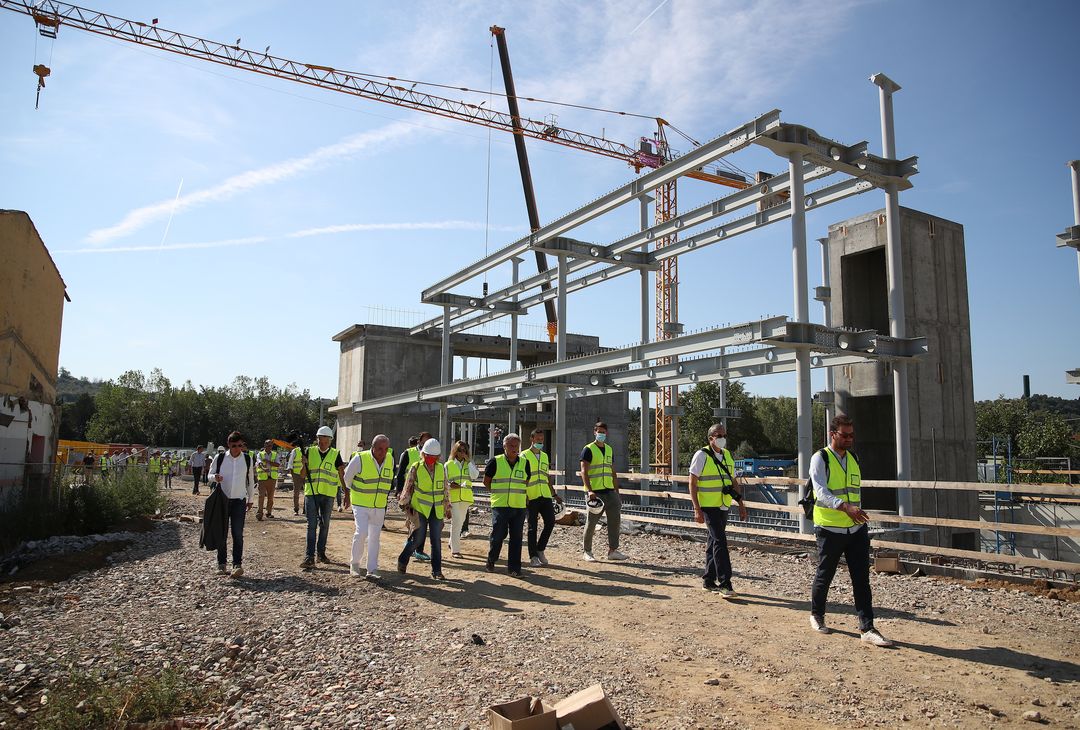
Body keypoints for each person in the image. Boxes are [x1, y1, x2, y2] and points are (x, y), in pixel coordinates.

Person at [809, 415, 893, 647]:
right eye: (844, 435)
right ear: (832, 434)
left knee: (861, 579)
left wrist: (855, 510)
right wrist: (845, 507)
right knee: (825, 573)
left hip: (856, 528)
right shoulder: (821, 458)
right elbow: (821, 492)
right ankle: (817, 615)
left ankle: (867, 627)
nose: (849, 439)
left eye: (851, 435)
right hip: (830, 527)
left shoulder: (854, 458)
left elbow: (854, 491)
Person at [689, 423, 749, 596]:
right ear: (711, 438)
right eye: (718, 435)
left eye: (724, 435)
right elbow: (692, 482)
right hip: (708, 505)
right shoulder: (701, 455)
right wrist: (696, 508)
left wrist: (740, 503)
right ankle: (725, 582)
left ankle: (708, 580)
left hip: (723, 504)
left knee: (713, 541)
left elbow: (733, 481)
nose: (722, 438)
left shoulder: (728, 455)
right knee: (720, 541)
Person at [343, 434, 394, 579]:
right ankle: (354, 565)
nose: (382, 452)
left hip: (379, 505)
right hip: (361, 503)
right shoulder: (360, 458)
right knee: (362, 532)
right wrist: (353, 494)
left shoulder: (390, 459)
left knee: (374, 537)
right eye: (379, 449)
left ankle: (372, 569)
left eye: (385, 449)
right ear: (372, 447)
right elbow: (347, 478)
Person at [397, 438, 448, 579]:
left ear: (438, 457)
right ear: (423, 455)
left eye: (434, 457)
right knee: (417, 540)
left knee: (436, 541)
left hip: (436, 510)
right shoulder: (416, 467)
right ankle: (403, 559)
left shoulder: (441, 468)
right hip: (419, 508)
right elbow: (408, 485)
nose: (431, 460)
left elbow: (445, 489)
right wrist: (404, 504)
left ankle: (437, 571)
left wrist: (447, 507)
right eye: (428, 456)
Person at [206, 431, 255, 578]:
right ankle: (221, 564)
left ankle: (237, 564)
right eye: (234, 446)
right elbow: (209, 475)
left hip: (240, 500)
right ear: (229, 445)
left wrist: (251, 498)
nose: (237, 449)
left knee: (237, 534)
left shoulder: (247, 459)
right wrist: (215, 477)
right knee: (222, 533)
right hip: (222, 501)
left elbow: (250, 480)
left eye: (240, 445)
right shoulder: (220, 458)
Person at [299, 426, 345, 569]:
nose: (323, 444)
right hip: (311, 494)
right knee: (311, 525)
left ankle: (321, 553)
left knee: (324, 525)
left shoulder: (336, 454)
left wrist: (346, 492)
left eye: (325, 441)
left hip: (328, 494)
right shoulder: (309, 452)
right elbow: (302, 475)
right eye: (320, 441)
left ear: (330, 441)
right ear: (317, 440)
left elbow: (341, 474)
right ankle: (309, 557)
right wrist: (303, 465)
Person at [484, 433, 530, 576]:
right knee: (498, 535)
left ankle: (514, 568)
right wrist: (496, 493)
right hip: (500, 505)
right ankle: (492, 559)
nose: (514, 448)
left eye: (516, 446)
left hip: (518, 506)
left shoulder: (524, 462)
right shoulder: (495, 462)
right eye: (511, 445)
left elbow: (526, 481)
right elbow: (487, 481)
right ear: (504, 446)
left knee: (516, 538)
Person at [580, 421, 627, 562]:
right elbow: (584, 471)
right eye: (598, 431)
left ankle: (613, 550)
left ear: (606, 433)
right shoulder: (588, 449)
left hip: (609, 491)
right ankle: (587, 551)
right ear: (594, 432)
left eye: (603, 432)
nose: (601, 434)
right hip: (595, 492)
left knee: (615, 521)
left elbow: (612, 471)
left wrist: (617, 491)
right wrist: (589, 491)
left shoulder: (609, 449)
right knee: (591, 522)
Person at [523, 428, 562, 567]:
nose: (540, 442)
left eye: (542, 440)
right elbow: (521, 477)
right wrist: (524, 495)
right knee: (532, 527)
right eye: (538, 439)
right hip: (531, 496)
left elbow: (546, 477)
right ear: (532, 439)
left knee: (550, 521)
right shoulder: (524, 456)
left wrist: (554, 494)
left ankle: (540, 549)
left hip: (545, 494)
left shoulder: (545, 456)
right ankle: (533, 556)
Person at [396, 433, 432, 561]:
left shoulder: (432, 456)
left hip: (424, 495)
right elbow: (400, 474)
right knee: (414, 521)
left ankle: (414, 547)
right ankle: (414, 547)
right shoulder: (408, 453)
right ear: (420, 441)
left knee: (420, 522)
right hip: (410, 493)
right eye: (425, 441)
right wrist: (400, 491)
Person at [446, 440, 479, 558]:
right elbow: (444, 482)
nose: (462, 452)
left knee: (460, 522)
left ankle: (451, 543)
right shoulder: (448, 464)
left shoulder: (469, 463)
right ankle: (455, 550)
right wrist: (450, 485)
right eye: (460, 450)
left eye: (465, 450)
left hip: (465, 498)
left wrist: (469, 461)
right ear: (455, 451)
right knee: (456, 522)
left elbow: (475, 475)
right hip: (454, 497)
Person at [255, 439, 279, 520]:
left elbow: (277, 464)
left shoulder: (275, 454)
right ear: (264, 445)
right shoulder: (260, 454)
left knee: (270, 497)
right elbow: (259, 463)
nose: (269, 447)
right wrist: (263, 468)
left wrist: (268, 461)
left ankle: (269, 512)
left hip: (272, 478)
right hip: (262, 479)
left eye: (271, 445)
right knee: (261, 496)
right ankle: (259, 513)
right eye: (268, 445)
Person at [287, 433, 305, 516]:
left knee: (307, 492)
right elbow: (290, 462)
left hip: (305, 473)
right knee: (296, 492)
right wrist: (290, 470)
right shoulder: (295, 451)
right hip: (296, 474)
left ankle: (305, 509)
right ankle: (296, 509)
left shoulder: (307, 450)